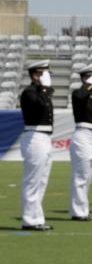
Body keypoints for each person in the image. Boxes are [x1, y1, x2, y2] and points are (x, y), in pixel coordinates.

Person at [19, 60, 55, 231]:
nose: (47, 78)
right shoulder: (29, 93)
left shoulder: (41, 91)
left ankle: (36, 218)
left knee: (42, 180)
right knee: (33, 181)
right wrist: (45, 88)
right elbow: (39, 104)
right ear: (35, 75)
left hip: (44, 137)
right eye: (43, 74)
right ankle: (29, 219)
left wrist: (45, 89)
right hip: (34, 136)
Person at [69, 64, 92, 221]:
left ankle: (83, 209)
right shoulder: (79, 93)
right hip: (82, 134)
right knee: (81, 176)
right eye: (88, 76)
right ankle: (78, 212)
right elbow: (81, 96)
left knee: (88, 175)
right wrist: (89, 84)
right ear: (82, 78)